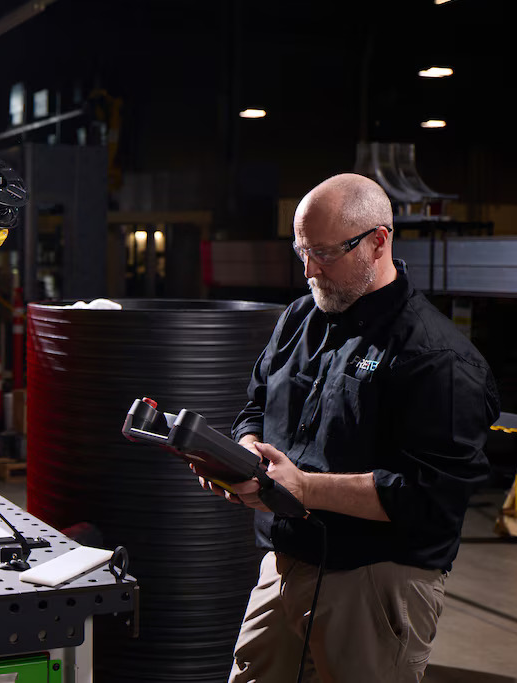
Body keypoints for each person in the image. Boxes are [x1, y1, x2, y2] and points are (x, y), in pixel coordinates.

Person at [198, 173, 499, 683]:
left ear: (378, 241)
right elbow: (256, 405)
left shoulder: (436, 358)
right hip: (285, 563)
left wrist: (302, 486)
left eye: (324, 253)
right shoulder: (298, 319)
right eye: (302, 253)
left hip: (373, 581)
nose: (310, 270)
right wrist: (243, 455)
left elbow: (431, 499)